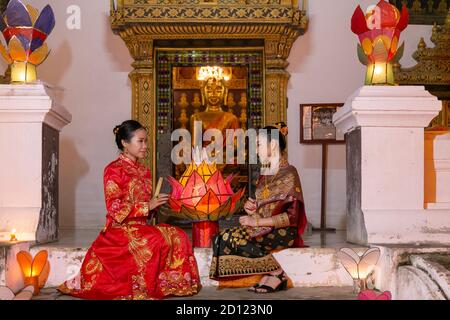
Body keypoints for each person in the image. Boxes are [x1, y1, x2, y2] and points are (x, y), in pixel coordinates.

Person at [58, 120, 201, 300]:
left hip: (141, 227)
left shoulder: (144, 171)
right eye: (140, 141)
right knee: (154, 239)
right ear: (125, 143)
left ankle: (172, 283)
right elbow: (114, 208)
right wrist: (147, 206)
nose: (145, 146)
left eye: (145, 141)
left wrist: (157, 206)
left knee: (178, 234)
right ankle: (141, 286)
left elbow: (147, 210)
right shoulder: (113, 170)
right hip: (119, 229)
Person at [209, 124, 308, 293]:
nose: (256, 150)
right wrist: (252, 210)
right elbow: (264, 207)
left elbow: (291, 218)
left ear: (274, 145)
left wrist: (256, 222)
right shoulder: (265, 175)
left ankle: (277, 273)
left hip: (282, 231)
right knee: (220, 237)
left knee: (233, 238)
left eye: (259, 145)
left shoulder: (290, 173)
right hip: (263, 227)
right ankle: (271, 272)